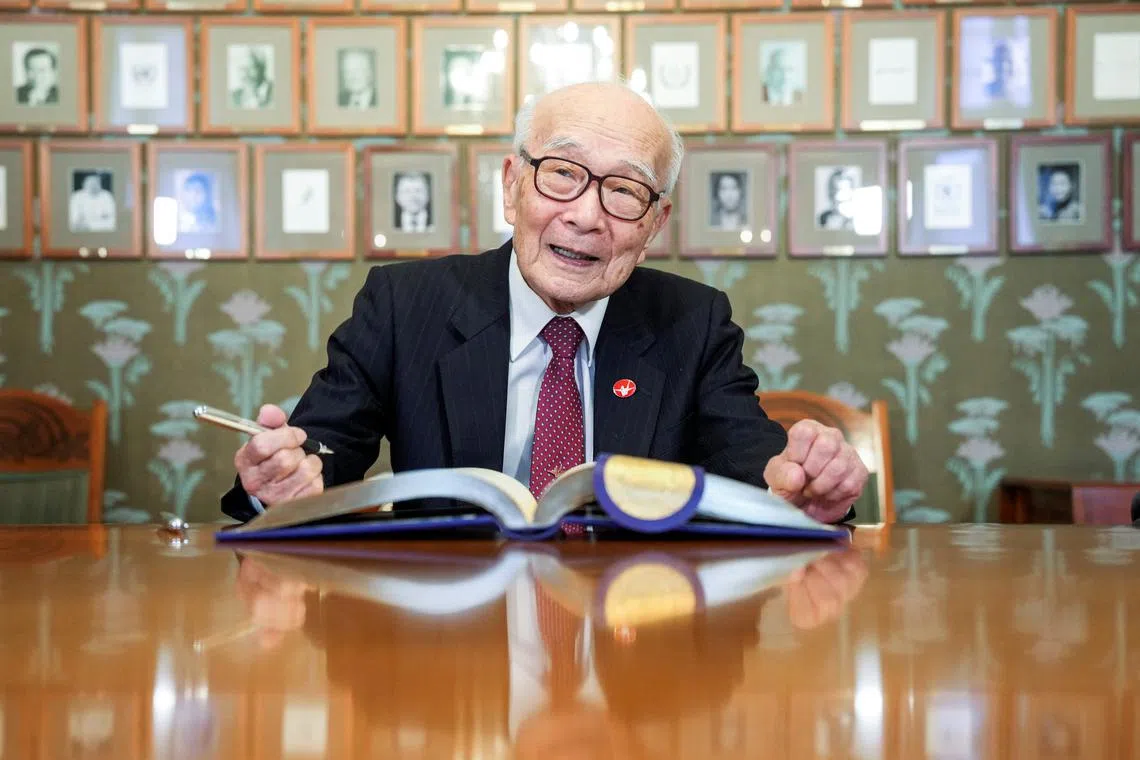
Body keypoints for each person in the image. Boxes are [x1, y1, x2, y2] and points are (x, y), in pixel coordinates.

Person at [220, 81, 869, 526]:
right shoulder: (403, 305)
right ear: (512, 186)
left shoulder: (692, 323)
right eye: (563, 173)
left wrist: (805, 489)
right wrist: (283, 484)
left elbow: (755, 467)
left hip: (631, 660)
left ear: (654, 224)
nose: (585, 215)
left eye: (624, 191)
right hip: (448, 666)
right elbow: (321, 451)